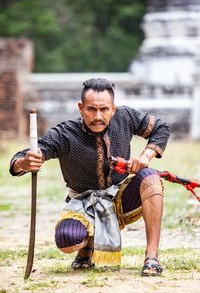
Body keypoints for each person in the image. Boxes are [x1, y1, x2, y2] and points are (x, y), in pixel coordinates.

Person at [10, 78, 170, 276]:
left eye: (104, 109)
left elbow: (160, 128)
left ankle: (152, 256)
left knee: (151, 177)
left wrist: (146, 156)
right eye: (91, 109)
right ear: (81, 108)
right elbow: (23, 156)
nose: (98, 116)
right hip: (82, 205)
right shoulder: (65, 134)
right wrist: (24, 163)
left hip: (121, 200)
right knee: (67, 240)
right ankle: (86, 246)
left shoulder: (126, 117)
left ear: (113, 109)